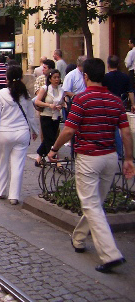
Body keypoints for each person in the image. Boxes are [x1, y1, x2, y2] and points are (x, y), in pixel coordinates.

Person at [48, 58, 134, 273]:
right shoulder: (115, 100)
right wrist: (128, 158)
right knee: (95, 203)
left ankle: (110, 254)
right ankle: (78, 238)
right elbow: (125, 132)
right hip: (110, 157)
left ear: (85, 76)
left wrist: (54, 149)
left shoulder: (82, 99)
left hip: (88, 157)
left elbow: (69, 130)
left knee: (91, 205)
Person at [0, 65, 39, 205]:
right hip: (22, 133)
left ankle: (0, 190)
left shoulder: (1, 94)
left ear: (7, 78)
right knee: (18, 165)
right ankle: (14, 196)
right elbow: (31, 116)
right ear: (21, 77)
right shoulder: (26, 95)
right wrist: (34, 131)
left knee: (2, 162)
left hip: (4, 133)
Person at [103, 54, 135, 157]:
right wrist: (133, 104)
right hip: (120, 104)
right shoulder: (124, 77)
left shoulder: (105, 78)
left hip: (108, 105)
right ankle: (121, 151)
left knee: (113, 128)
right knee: (122, 127)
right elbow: (130, 91)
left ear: (108, 64)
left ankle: (118, 151)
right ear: (118, 64)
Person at [34, 69, 64, 165]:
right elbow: (37, 101)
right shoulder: (45, 88)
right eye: (54, 77)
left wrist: (61, 106)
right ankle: (55, 161)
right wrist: (49, 105)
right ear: (50, 79)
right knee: (50, 139)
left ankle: (39, 157)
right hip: (46, 116)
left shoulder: (61, 90)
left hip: (56, 116)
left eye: (58, 77)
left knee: (50, 137)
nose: (57, 79)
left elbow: (62, 102)